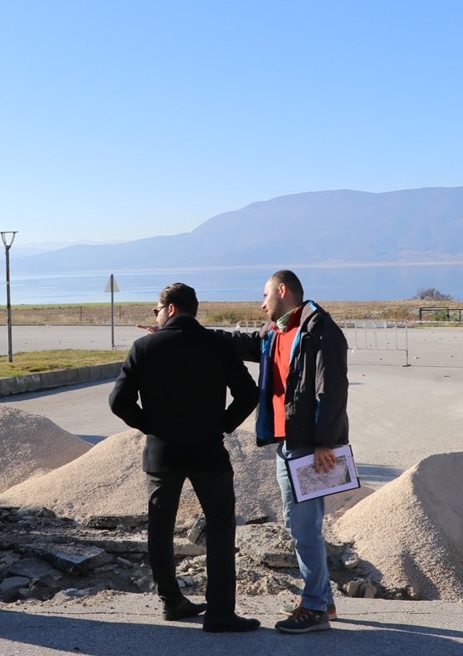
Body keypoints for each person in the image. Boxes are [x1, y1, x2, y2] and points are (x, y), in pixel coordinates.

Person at [109, 283, 261, 632]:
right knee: (220, 527)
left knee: (160, 527)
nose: (156, 315)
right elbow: (248, 394)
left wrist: (151, 426)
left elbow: (118, 402)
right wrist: (223, 424)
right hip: (208, 451)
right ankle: (220, 612)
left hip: (163, 452)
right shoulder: (218, 345)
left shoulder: (144, 347)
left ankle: (171, 600)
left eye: (156, 310)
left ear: (171, 308)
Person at [227, 270, 348, 634]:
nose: (261, 303)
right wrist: (187, 333)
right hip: (288, 442)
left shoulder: (318, 330)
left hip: (309, 447)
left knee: (302, 527)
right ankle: (323, 600)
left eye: (265, 295)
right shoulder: (277, 331)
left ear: (282, 291)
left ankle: (314, 608)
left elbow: (332, 388)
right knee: (303, 525)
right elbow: (242, 343)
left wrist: (325, 442)